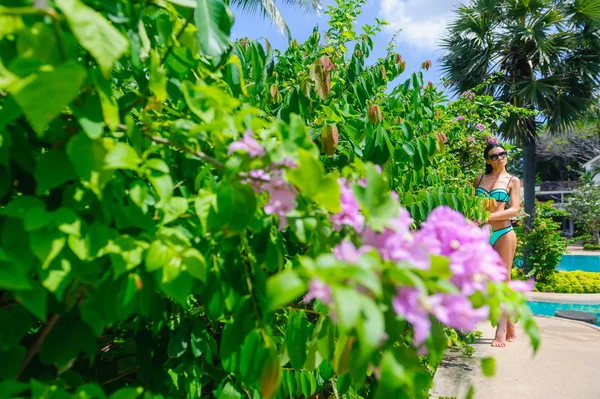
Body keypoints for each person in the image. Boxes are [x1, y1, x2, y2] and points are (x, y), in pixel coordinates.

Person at [474, 142, 521, 347]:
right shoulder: (479, 179)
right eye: (494, 156)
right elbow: (472, 206)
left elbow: (514, 210)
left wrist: (487, 217)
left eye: (502, 154)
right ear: (487, 160)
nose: (500, 158)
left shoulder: (512, 180)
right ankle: (510, 321)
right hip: (483, 234)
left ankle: (500, 329)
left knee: (504, 279)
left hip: (504, 232)